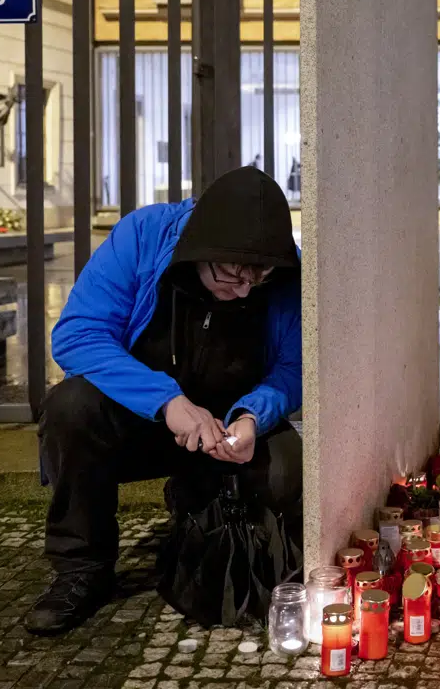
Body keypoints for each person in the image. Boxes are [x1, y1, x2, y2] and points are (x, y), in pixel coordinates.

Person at [25, 166, 304, 636]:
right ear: (199, 249)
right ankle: (82, 569)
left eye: (257, 280)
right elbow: (77, 334)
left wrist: (253, 415)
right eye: (230, 274)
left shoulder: (279, 270)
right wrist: (167, 401)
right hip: (141, 420)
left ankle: (198, 503)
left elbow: (293, 368)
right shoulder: (144, 235)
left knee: (288, 470)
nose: (242, 290)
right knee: (70, 408)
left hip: (226, 429)